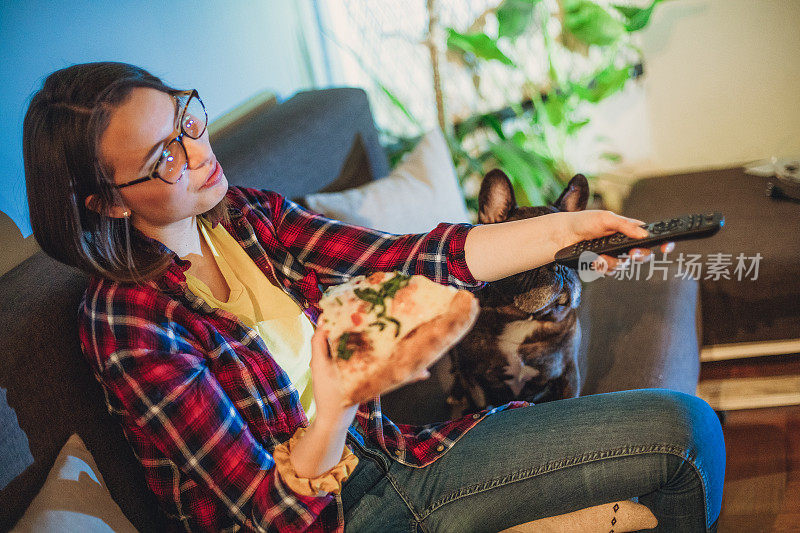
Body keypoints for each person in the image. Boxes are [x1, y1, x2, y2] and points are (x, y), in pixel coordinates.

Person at [23, 62, 724, 532]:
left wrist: (568, 231)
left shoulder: (247, 217)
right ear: (104, 204)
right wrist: (335, 401)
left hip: (397, 452)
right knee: (685, 448)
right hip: (340, 516)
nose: (199, 151)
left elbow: (404, 256)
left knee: (690, 432)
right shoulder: (128, 323)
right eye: (164, 157)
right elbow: (268, 514)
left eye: (186, 118)